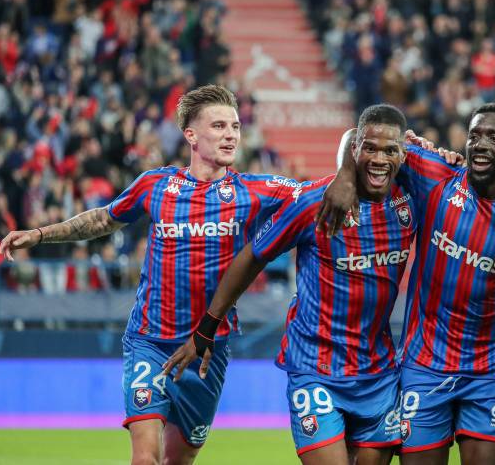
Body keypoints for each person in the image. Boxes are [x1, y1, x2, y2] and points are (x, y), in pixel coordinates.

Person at [0, 85, 309, 465]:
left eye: (235, 126)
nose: (230, 134)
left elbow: (321, 194)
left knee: (177, 461)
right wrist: (42, 234)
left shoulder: (256, 191)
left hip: (208, 349)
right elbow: (102, 219)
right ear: (191, 135)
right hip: (150, 340)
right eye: (218, 126)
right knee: (145, 459)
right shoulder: (156, 185)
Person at [164, 104, 419, 465]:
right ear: (356, 150)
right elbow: (253, 256)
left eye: (389, 151)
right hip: (315, 368)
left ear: (403, 154)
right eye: (369, 149)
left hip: (378, 373)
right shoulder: (314, 202)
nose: (379, 159)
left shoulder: (411, 200)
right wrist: (207, 326)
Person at [323, 103, 495, 465]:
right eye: (474, 135)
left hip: (492, 369)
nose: (479, 143)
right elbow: (359, 136)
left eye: (493, 137)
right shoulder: (434, 174)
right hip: (425, 364)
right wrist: (345, 176)